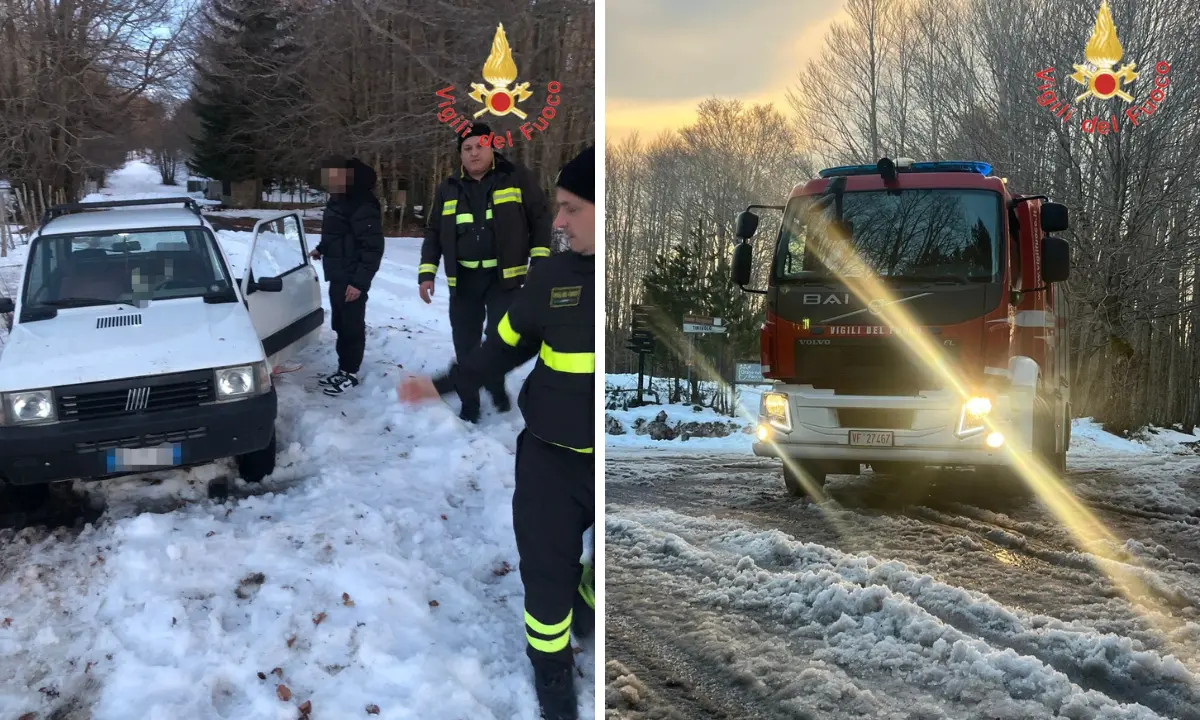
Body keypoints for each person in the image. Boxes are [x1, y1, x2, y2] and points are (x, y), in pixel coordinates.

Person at [397, 146, 595, 720]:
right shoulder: (552, 277)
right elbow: (502, 345)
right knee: (545, 580)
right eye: (556, 208)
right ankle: (551, 673)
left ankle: (589, 593)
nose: (557, 222)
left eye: (570, 210)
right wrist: (445, 383)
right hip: (550, 463)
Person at [418, 123, 553, 422]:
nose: (474, 152)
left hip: (504, 279)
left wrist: (540, 261)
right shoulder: (447, 188)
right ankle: (470, 403)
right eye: (467, 148)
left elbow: (541, 220)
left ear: (492, 147)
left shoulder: (517, 179)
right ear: (460, 155)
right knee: (465, 343)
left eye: (480, 145)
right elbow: (434, 232)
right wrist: (426, 272)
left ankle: (494, 382)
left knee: (500, 340)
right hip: (464, 280)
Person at [310, 156, 385, 396]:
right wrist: (321, 249)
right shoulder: (338, 200)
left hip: (353, 277)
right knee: (341, 324)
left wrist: (359, 283)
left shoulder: (363, 204)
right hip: (337, 273)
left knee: (352, 326)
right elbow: (337, 233)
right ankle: (343, 369)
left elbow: (373, 247)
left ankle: (350, 373)